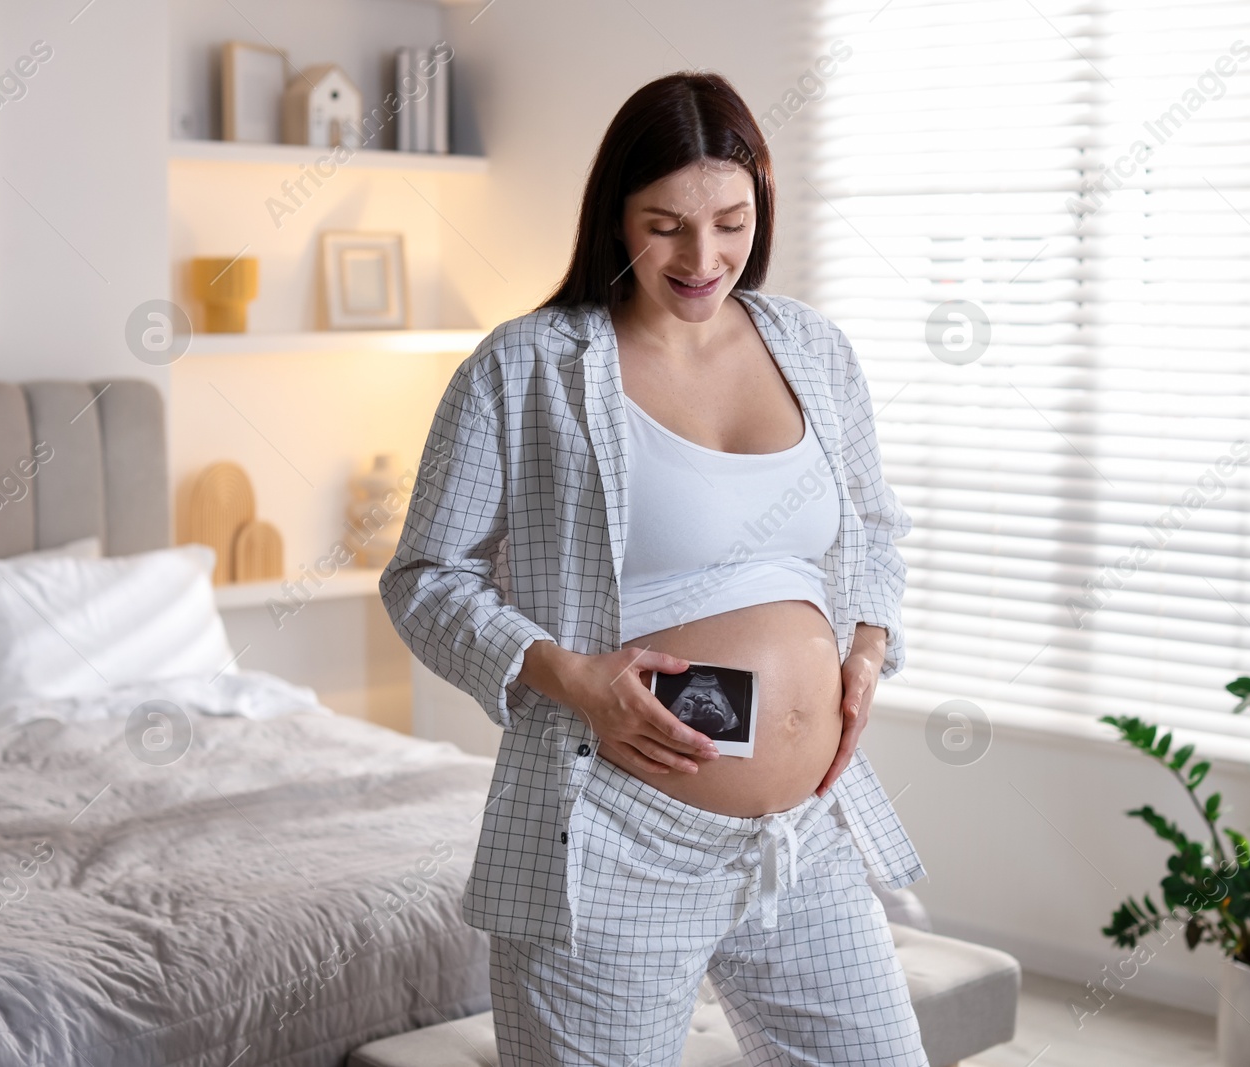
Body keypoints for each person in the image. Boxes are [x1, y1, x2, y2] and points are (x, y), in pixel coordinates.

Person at [380, 69, 929, 1067]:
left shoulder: (812, 346)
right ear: (613, 216)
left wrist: (866, 646)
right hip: (613, 829)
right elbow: (424, 575)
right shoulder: (525, 366)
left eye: (731, 219)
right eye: (665, 223)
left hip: (802, 832)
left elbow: (876, 532)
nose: (703, 255)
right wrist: (570, 676)